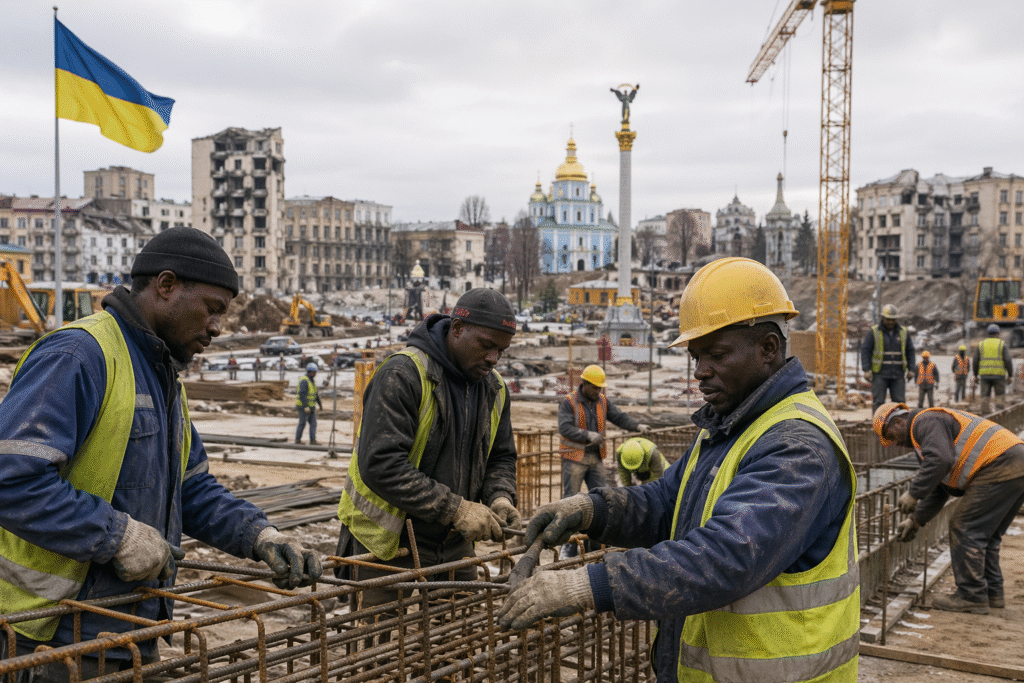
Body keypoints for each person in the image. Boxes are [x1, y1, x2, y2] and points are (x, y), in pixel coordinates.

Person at [499, 257, 859, 682]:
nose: (700, 373)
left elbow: (727, 556)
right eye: (695, 356)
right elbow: (669, 501)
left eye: (716, 355)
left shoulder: (796, 446)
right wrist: (592, 509)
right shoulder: (730, 424)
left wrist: (587, 586)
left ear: (768, 349)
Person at [0, 227, 321, 677]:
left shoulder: (161, 374)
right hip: (49, 637)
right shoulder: (80, 355)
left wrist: (260, 536)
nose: (217, 328)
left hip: (127, 628)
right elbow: (11, 480)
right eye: (212, 310)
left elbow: (191, 488)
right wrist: (116, 535)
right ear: (166, 286)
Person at [335, 288, 521, 634]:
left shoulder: (493, 387)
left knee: (449, 651)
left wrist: (500, 495)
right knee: (386, 657)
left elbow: (501, 456)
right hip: (387, 548)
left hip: (453, 548)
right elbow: (381, 464)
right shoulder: (404, 375)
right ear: (457, 329)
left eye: (502, 350)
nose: (495, 358)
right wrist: (457, 509)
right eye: (487, 345)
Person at [873, 402, 1024, 614]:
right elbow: (940, 487)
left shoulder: (925, 421)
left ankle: (971, 595)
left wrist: (914, 493)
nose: (893, 443)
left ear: (898, 422)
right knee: (985, 535)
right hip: (1014, 464)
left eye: (890, 435)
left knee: (964, 527)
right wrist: (916, 520)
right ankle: (993, 593)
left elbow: (940, 460)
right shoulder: (924, 437)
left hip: (1000, 464)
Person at [558, 364, 650, 499]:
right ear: (584, 384)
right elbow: (565, 428)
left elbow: (619, 417)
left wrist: (637, 426)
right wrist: (587, 435)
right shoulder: (569, 402)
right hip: (574, 458)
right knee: (570, 498)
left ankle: (598, 519)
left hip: (596, 456)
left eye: (600, 387)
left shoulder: (602, 401)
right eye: (595, 387)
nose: (598, 391)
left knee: (602, 496)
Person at [861, 303, 915, 412]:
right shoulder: (874, 332)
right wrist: (866, 369)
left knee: (899, 402)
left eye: (893, 319)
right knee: (879, 402)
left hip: (898, 374)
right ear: (883, 318)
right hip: (880, 374)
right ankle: (878, 426)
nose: (891, 322)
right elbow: (866, 350)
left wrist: (911, 369)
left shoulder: (903, 332)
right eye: (888, 319)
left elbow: (910, 351)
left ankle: (899, 426)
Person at [974, 323, 1012, 412]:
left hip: (984, 376)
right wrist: (1010, 375)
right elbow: (1008, 360)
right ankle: (999, 420)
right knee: (1000, 399)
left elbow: (975, 361)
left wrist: (975, 375)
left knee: (984, 399)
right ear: (998, 333)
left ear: (987, 333)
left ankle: (985, 418)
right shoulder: (1002, 344)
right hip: (999, 376)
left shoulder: (981, 344)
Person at [295, 362, 323, 444]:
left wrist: (320, 404)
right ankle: (297, 440)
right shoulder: (304, 380)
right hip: (303, 407)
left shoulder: (312, 381)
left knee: (313, 424)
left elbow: (315, 394)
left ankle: (313, 440)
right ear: (310, 372)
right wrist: (305, 406)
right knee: (302, 423)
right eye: (314, 372)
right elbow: (302, 394)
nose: (315, 374)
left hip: (311, 407)